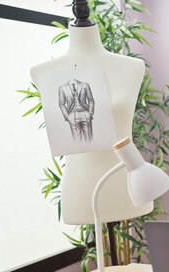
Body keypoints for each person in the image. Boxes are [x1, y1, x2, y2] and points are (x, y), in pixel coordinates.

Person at [30, 3, 151, 225]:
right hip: (80, 188)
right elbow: (61, 105)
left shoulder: (131, 66)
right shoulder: (43, 73)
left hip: (125, 179)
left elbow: (92, 103)